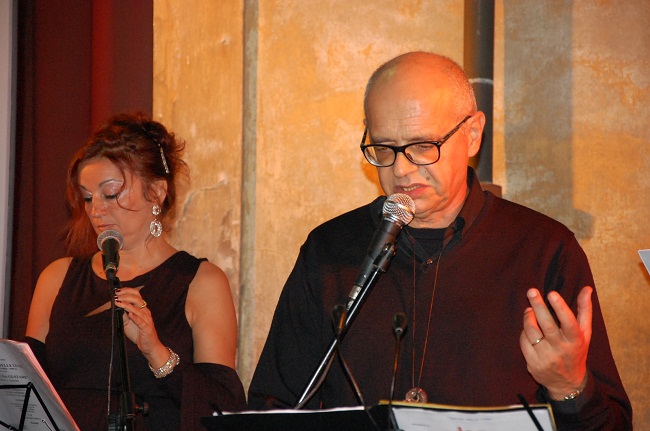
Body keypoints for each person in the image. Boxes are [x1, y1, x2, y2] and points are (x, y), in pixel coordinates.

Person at [248, 52, 632, 430]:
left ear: (473, 134)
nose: (401, 169)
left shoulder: (545, 251)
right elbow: (272, 407)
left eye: (422, 146)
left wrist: (569, 388)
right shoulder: (330, 249)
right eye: (384, 148)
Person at [24, 112, 246, 430]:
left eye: (111, 193)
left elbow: (222, 407)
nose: (96, 210)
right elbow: (24, 389)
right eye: (87, 198)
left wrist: (156, 352)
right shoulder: (57, 277)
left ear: (156, 192)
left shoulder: (201, 282)